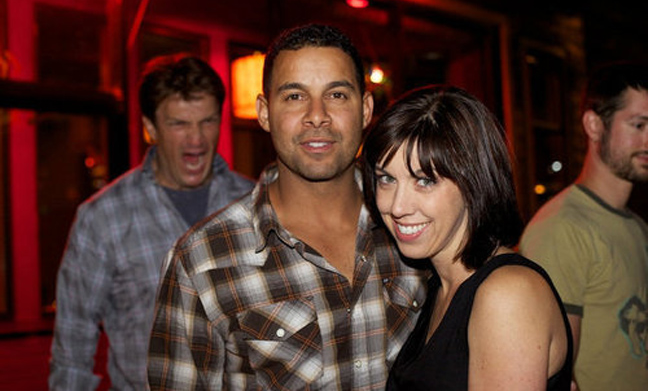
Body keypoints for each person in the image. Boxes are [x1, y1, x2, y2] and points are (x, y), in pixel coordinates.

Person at [147, 24, 427, 390]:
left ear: (365, 109)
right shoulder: (202, 260)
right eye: (294, 96)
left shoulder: (415, 226)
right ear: (264, 113)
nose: (317, 115)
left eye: (337, 95)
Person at [49, 55, 255, 390]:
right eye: (179, 124)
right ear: (150, 128)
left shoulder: (255, 204)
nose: (197, 139)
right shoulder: (103, 217)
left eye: (207, 121)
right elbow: (73, 344)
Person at [361, 85, 573, 390]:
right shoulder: (440, 284)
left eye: (424, 181)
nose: (397, 206)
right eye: (387, 179)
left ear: (472, 182)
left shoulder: (508, 294)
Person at [520, 62, 648, 391]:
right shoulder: (561, 228)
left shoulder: (637, 227)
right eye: (639, 124)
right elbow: (555, 376)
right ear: (594, 125)